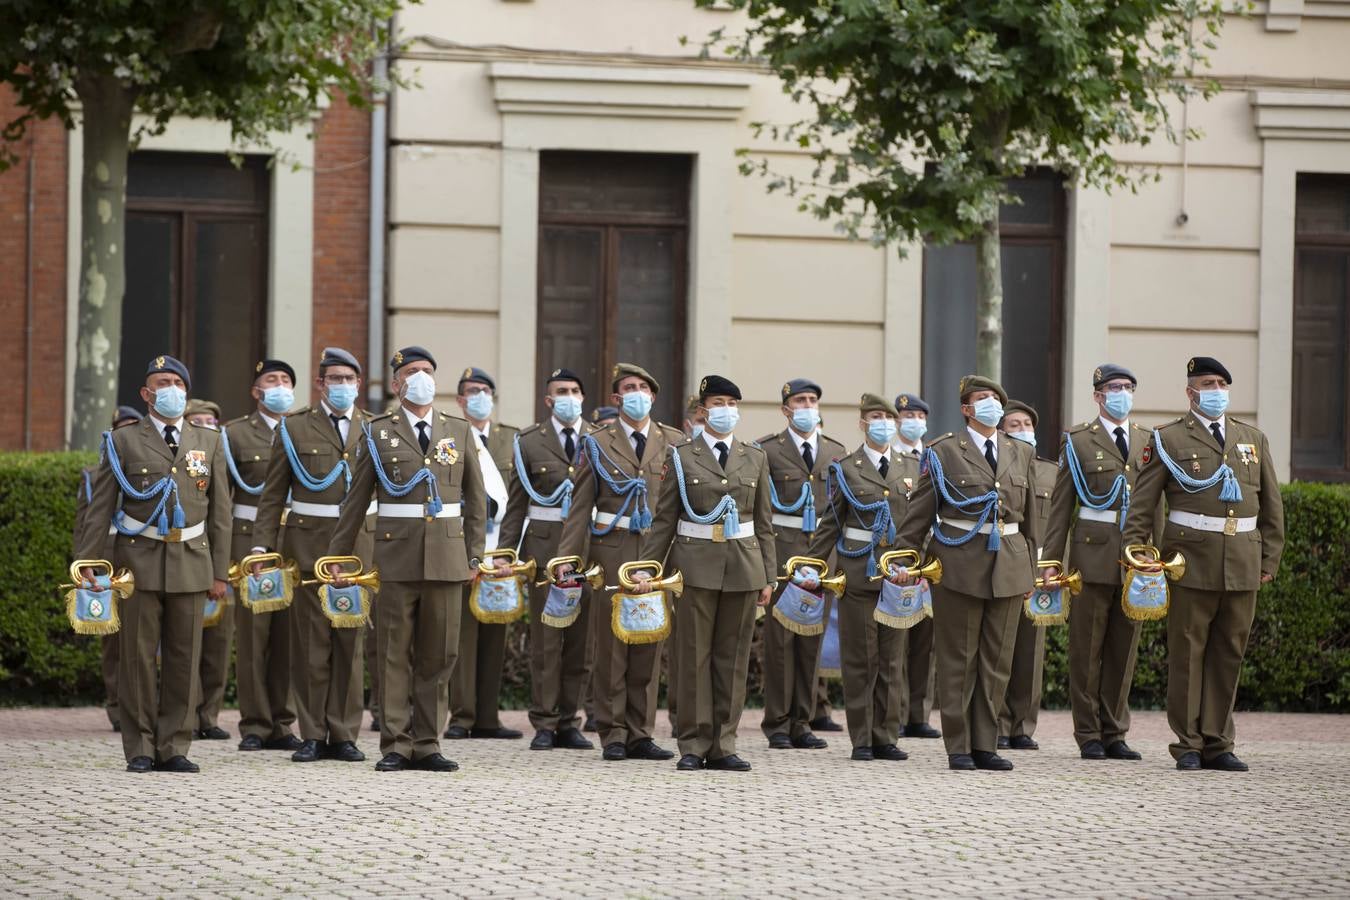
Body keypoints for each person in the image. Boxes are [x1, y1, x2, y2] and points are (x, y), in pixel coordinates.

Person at [326, 346, 486, 772]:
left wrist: (475, 555)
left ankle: (429, 742)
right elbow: (355, 500)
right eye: (412, 372)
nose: (422, 378)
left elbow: (476, 498)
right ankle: (396, 743)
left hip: (449, 557)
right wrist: (339, 555)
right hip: (396, 557)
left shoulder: (459, 429)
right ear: (397, 384)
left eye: (428, 371)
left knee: (441, 653)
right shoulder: (377, 432)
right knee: (393, 653)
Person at [1121, 356, 1284, 772]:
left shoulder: (1252, 439)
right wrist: (1139, 554)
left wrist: (1269, 558)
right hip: (1188, 560)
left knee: (1229, 652)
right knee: (1188, 653)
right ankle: (1188, 743)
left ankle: (1219, 741)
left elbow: (1271, 507)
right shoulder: (1168, 438)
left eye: (1222, 383)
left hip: (1243, 560)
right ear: (1191, 391)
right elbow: (1142, 505)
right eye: (1208, 383)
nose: (1217, 390)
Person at [76, 355, 231, 772]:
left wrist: (220, 571)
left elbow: (220, 513)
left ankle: (175, 746)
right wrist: (89, 562)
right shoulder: (123, 440)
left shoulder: (210, 441)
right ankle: (141, 747)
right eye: (162, 383)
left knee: (185, 657)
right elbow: (101, 507)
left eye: (178, 383)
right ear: (146, 394)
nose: (171, 390)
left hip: (192, 561)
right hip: (137, 563)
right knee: (138, 660)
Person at [893, 375, 1038, 772]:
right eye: (981, 398)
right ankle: (959, 745)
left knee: (996, 660)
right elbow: (919, 513)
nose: (990, 404)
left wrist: (1031, 571)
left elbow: (1031, 522)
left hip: (1008, 563)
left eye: (995, 398)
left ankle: (985, 744)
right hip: (957, 564)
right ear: (966, 409)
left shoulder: (1019, 452)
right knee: (959, 659)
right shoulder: (943, 451)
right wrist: (904, 559)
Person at [639, 375, 775, 772]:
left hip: (744, 567)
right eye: (718, 403)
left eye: (732, 403)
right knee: (693, 657)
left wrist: (770, 575)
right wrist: (648, 569)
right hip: (694, 566)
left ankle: (724, 743)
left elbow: (764, 522)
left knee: (733, 660)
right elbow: (665, 519)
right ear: (702, 411)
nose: (726, 410)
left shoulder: (755, 456)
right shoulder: (681, 456)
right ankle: (693, 744)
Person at [251, 347, 375, 763]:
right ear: (320, 383)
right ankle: (312, 733)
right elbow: (272, 495)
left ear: (359, 384)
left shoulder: (375, 428)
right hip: (308, 545)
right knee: (310, 645)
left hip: (358, 549)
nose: (342, 386)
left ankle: (343, 733)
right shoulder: (294, 427)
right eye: (334, 379)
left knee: (350, 643)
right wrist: (261, 547)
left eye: (349, 379)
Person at [555, 363, 684, 761]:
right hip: (611, 550)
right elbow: (581, 507)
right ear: (616, 398)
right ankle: (612, 732)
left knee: (649, 640)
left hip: (658, 553)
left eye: (644, 387)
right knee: (612, 646)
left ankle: (641, 732)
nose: (637, 393)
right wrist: (567, 557)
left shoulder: (675, 441)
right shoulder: (596, 441)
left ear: (654, 396)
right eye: (629, 388)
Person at [1043, 364, 1159, 762]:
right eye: (1113, 388)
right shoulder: (1078, 441)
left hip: (1135, 560)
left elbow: (1156, 504)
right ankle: (1089, 733)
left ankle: (1115, 731)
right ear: (1097, 395)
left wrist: (1154, 555)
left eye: (1128, 387)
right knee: (1086, 649)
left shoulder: (1148, 439)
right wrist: (1050, 561)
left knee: (1124, 650)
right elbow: (1060, 509)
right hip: (1091, 556)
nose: (1121, 393)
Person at [805, 393, 912, 762]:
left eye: (888, 416)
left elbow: (920, 524)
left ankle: (887, 736)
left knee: (892, 660)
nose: (882, 422)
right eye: (875, 416)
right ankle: (862, 738)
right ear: (863, 423)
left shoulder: (910, 466)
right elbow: (831, 522)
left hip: (898, 576)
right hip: (857, 570)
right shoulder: (847, 468)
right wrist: (811, 564)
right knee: (860, 660)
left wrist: (921, 567)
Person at [498, 368, 594, 751]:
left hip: (587, 552)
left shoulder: (600, 440)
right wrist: (506, 554)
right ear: (548, 400)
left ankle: (571, 721)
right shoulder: (529, 441)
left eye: (574, 390)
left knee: (581, 643)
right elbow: (516, 505)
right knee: (546, 642)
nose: (568, 397)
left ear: (583, 397)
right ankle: (544, 721)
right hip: (543, 551)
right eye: (561, 392)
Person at [758, 378, 845, 751]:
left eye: (812, 400)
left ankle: (802, 722)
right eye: (800, 400)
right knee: (779, 644)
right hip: (782, 554)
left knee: (811, 640)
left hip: (822, 558)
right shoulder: (767, 451)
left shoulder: (836, 451)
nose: (808, 406)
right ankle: (777, 722)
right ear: (785, 409)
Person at [225, 360, 301, 753]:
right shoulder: (235, 434)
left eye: (286, 380)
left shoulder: (304, 431)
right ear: (256, 392)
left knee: (289, 635)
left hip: (295, 540)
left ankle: (283, 722)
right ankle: (254, 723)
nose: (281, 386)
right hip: (250, 541)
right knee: (254, 636)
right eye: (272, 380)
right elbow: (221, 501)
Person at [444, 366, 522, 741]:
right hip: (461, 545)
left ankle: (489, 717)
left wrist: (512, 551)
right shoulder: (449, 436)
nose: (479, 396)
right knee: (462, 636)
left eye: (485, 390)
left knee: (496, 634)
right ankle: (462, 716)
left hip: (501, 550)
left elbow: (520, 496)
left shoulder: (511, 439)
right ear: (460, 400)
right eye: (472, 391)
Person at [73, 405, 142, 732]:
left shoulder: (147, 467)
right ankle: (116, 706)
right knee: (111, 638)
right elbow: (84, 524)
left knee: (144, 635)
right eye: (120, 428)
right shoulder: (94, 473)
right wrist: (82, 564)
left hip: (140, 555)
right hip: (104, 560)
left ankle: (144, 703)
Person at [995, 399, 1057, 751]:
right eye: (1014, 425)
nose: (1022, 431)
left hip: (1042, 569)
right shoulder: (999, 469)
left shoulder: (1052, 471)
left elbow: (1062, 523)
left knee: (1032, 652)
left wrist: (1056, 564)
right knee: (1002, 647)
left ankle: (1022, 726)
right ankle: (999, 723)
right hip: (1007, 563)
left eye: (1026, 424)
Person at [892, 392, 939, 740]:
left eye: (919, 416)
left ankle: (919, 714)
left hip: (934, 555)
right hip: (899, 557)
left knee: (927, 641)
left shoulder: (936, 457)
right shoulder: (888, 459)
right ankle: (894, 711)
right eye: (907, 416)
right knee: (896, 638)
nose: (914, 421)